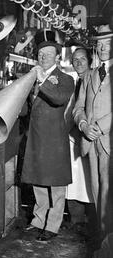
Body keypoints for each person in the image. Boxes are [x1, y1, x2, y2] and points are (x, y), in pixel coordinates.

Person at [21, 30, 75, 241]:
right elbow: (27, 108)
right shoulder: (33, 78)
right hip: (35, 138)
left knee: (56, 185)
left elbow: (59, 99)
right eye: (41, 53)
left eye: (48, 53)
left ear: (57, 56)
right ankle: (38, 220)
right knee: (38, 182)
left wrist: (42, 81)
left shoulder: (65, 79)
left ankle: (52, 225)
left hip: (54, 141)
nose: (43, 57)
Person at [73, 25, 113, 245]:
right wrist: (83, 124)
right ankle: (102, 236)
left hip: (108, 139)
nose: (103, 47)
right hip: (90, 141)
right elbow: (78, 107)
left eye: (108, 43)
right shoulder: (89, 75)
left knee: (108, 189)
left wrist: (100, 125)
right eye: (99, 44)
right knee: (96, 188)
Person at [63, 47, 96, 238]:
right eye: (75, 60)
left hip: (89, 136)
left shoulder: (95, 79)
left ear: (89, 61)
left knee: (89, 178)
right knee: (75, 179)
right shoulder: (75, 82)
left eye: (82, 59)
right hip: (72, 137)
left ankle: (90, 221)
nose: (79, 63)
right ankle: (76, 219)